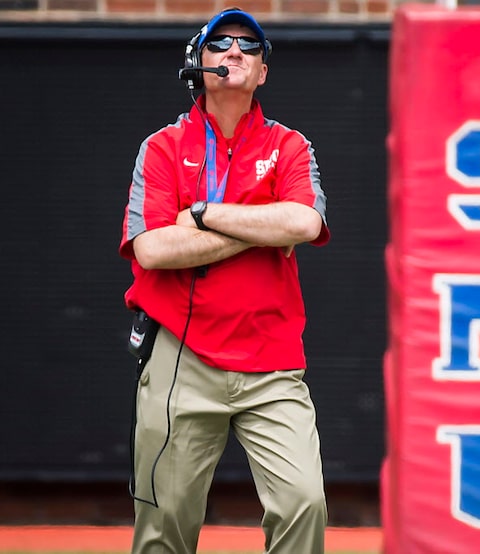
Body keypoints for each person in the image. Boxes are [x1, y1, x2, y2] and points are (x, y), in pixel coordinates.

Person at [119, 8, 330, 553]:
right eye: (220, 43)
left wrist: (205, 214)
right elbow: (153, 248)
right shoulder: (161, 147)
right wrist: (263, 225)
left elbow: (304, 223)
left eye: (249, 46)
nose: (234, 52)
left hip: (272, 361)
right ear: (198, 61)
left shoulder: (290, 145)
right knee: (165, 528)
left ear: (263, 71)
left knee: (304, 502)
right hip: (180, 358)